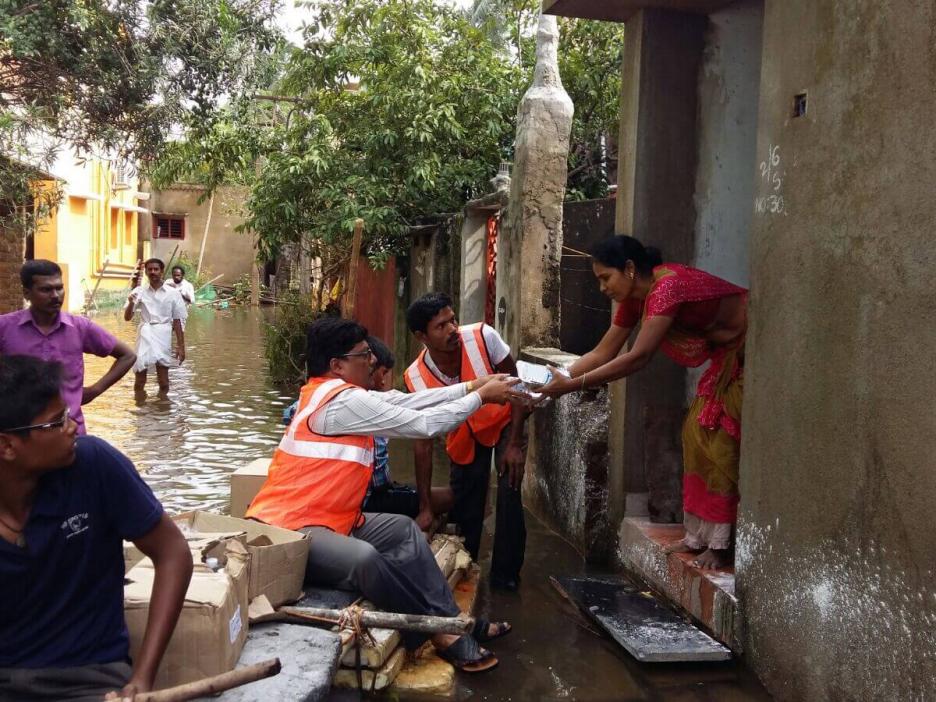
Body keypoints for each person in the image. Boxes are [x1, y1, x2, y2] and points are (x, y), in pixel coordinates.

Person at [247, 317, 518, 673]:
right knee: (365, 559)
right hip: (290, 529)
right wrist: (481, 396)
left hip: (334, 521)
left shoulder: (341, 396)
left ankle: (453, 619)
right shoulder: (338, 402)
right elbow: (423, 423)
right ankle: (439, 632)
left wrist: (471, 387)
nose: (372, 361)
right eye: (363, 355)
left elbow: (408, 403)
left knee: (403, 530)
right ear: (336, 365)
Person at [536, 235, 748, 571]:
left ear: (630, 269)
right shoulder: (637, 299)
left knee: (717, 440)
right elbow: (602, 352)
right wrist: (548, 381)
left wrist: (571, 385)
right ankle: (699, 537)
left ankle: (721, 545)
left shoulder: (666, 288)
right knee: (695, 436)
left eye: (606, 277)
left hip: (749, 352)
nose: (603, 288)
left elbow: (639, 357)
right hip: (726, 359)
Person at [0, 355, 193, 701]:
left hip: (92, 681)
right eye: (56, 422)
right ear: (7, 446)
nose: (73, 424)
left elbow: (173, 553)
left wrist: (142, 678)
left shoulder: (94, 466)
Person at [404, 293, 529, 591]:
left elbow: (518, 387)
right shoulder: (415, 379)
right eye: (441, 326)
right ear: (422, 336)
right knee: (466, 504)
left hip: (503, 424)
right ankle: (465, 568)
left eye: (453, 320)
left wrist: (514, 444)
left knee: (509, 490)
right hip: (464, 438)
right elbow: (422, 444)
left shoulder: (484, 337)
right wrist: (425, 506)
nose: (452, 330)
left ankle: (505, 579)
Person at [0, 260, 136, 435]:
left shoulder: (80, 327)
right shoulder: (5, 327)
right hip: (20, 435)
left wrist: (95, 390)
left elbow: (128, 355)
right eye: (46, 289)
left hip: (70, 432)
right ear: (27, 293)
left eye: (59, 288)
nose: (56, 295)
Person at [361, 335, 454, 519]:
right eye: (383, 373)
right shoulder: (368, 406)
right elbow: (424, 425)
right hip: (370, 499)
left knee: (423, 492)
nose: (382, 382)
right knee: (450, 498)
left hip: (374, 492)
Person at [124, 259, 187, 397]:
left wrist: (181, 346)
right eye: (150, 269)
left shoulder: (173, 293)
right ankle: (140, 408)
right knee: (140, 377)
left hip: (163, 334)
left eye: (156, 269)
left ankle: (162, 410)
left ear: (162, 271)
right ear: (146, 272)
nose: (153, 272)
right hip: (145, 333)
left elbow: (177, 321)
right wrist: (130, 303)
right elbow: (127, 318)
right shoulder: (139, 291)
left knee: (163, 380)